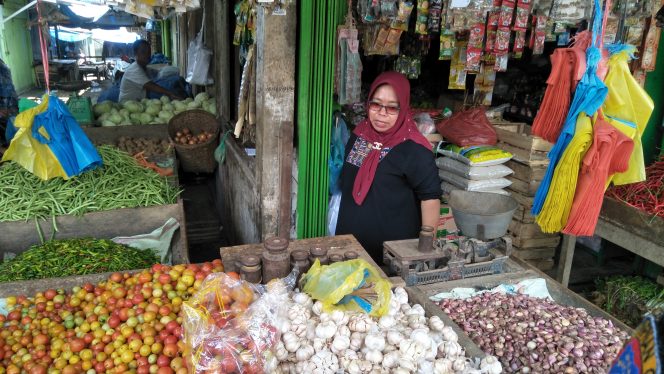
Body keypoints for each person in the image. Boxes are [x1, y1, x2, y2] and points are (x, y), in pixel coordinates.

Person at [335, 71, 441, 263]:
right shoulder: (359, 135)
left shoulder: (414, 149)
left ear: (404, 109)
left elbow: (430, 199)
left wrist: (425, 251)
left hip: (392, 256)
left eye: (392, 108)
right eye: (376, 104)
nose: (382, 113)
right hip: (350, 248)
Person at [119, 40, 183, 102]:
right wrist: (170, 93)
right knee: (166, 89)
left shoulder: (145, 68)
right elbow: (151, 86)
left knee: (173, 80)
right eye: (143, 52)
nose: (147, 55)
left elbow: (159, 74)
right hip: (128, 104)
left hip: (141, 101)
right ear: (136, 53)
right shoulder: (134, 69)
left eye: (149, 52)